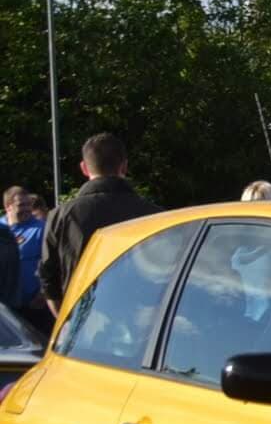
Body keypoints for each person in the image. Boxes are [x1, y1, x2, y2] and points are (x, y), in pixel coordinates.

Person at [40, 133, 159, 314]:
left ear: (84, 168)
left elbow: (49, 277)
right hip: (142, 317)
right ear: (124, 166)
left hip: (84, 317)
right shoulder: (153, 215)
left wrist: (65, 320)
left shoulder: (61, 216)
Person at [6, 185, 46, 326]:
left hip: (33, 304)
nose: (27, 209)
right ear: (8, 207)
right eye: (21, 205)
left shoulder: (41, 229)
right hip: (5, 308)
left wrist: (42, 293)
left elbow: (51, 264)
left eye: (28, 204)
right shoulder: (2, 229)